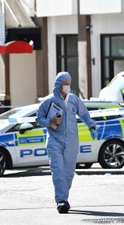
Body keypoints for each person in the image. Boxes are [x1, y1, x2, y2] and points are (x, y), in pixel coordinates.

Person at [36, 72, 97, 214]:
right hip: (54, 141)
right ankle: (61, 200)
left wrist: (91, 126)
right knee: (58, 171)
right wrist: (49, 122)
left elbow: (84, 114)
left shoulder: (74, 99)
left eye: (69, 83)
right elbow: (38, 119)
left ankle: (64, 196)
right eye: (65, 84)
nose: (68, 86)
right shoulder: (48, 101)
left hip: (71, 142)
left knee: (68, 173)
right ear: (59, 85)